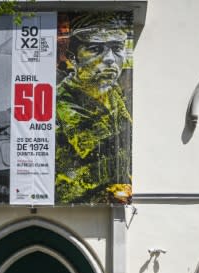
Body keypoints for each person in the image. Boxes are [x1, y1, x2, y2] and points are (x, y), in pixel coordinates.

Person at [55, 13, 132, 203]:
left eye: (116, 48)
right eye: (95, 49)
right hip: (77, 204)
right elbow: (103, 148)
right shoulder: (63, 101)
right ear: (73, 58)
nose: (109, 59)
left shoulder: (113, 91)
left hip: (113, 199)